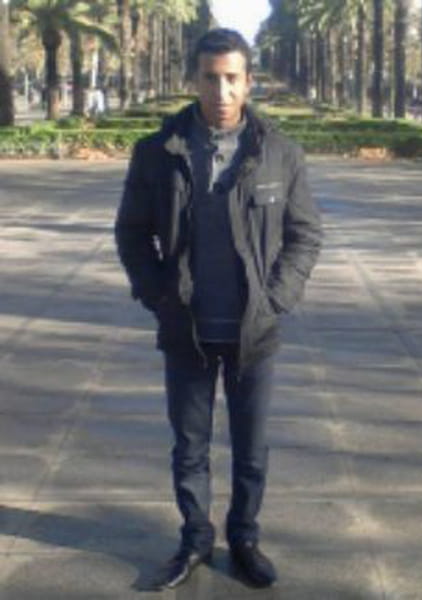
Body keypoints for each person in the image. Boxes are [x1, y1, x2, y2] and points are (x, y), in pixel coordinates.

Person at [115, 28, 322, 590]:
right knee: (190, 447)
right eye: (210, 77)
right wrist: (159, 296)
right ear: (195, 80)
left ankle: (245, 538)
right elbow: (131, 233)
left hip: (254, 332)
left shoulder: (280, 152)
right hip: (187, 328)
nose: (221, 90)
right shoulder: (158, 152)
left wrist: (276, 299)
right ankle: (195, 539)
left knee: (251, 449)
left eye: (232, 78)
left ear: (249, 82)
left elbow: (305, 234)